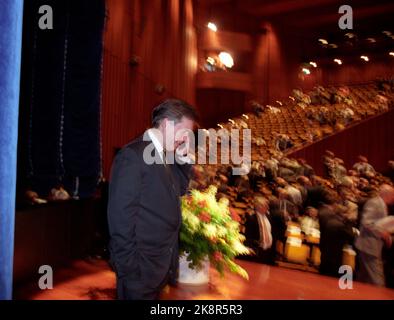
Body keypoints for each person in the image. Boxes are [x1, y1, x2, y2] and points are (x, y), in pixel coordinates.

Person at [107, 99, 197, 299]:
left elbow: (178, 191)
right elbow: (120, 219)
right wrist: (131, 270)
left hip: (158, 268)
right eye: (184, 133)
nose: (185, 139)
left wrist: (183, 161)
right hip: (139, 271)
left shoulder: (164, 156)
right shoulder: (133, 155)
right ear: (166, 124)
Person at [355, 184, 394, 286]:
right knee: (378, 281)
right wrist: (383, 233)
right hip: (368, 246)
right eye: (393, 195)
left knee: (363, 278)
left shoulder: (382, 204)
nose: (393, 198)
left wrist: (386, 234)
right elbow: (366, 222)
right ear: (387, 194)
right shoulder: (374, 203)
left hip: (370, 246)